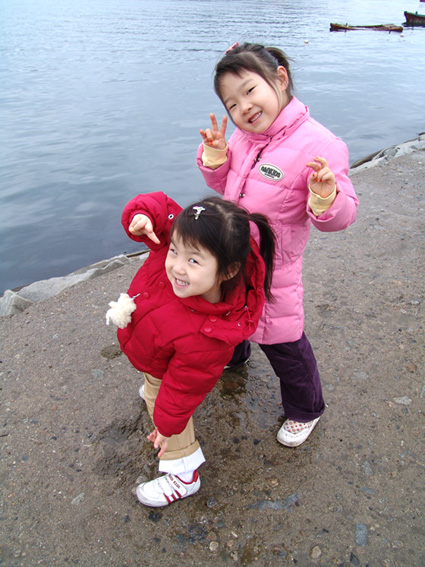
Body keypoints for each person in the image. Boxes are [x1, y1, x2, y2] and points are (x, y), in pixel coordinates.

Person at [197, 42, 359, 448]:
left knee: (282, 340)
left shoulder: (321, 145)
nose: (244, 108)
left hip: (273, 268)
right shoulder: (242, 138)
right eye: (232, 104)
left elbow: (341, 217)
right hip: (231, 254)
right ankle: (235, 357)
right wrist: (216, 157)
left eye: (250, 91)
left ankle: (307, 408)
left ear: (280, 78)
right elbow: (227, 185)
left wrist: (326, 197)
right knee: (227, 317)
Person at [106, 191, 275, 507]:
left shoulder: (206, 337)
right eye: (173, 250)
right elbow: (162, 208)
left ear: (227, 271)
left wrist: (166, 424)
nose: (177, 267)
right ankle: (153, 389)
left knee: (170, 406)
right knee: (155, 382)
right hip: (156, 348)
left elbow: (183, 388)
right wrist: (142, 216)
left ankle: (183, 473)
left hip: (168, 370)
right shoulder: (184, 253)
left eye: (193, 260)